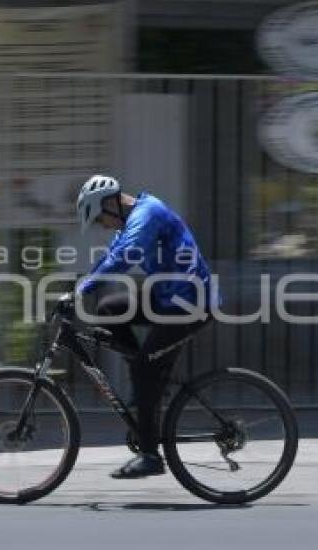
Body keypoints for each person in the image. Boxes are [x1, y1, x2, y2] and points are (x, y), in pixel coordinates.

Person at [63, 174, 218, 479]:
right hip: (167, 296)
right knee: (109, 309)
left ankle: (150, 455)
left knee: (147, 370)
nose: (102, 226)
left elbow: (124, 256)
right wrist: (78, 287)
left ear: (111, 204)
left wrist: (84, 289)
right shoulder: (130, 220)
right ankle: (144, 375)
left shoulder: (147, 214)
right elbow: (108, 257)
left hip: (191, 303)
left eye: (99, 219)